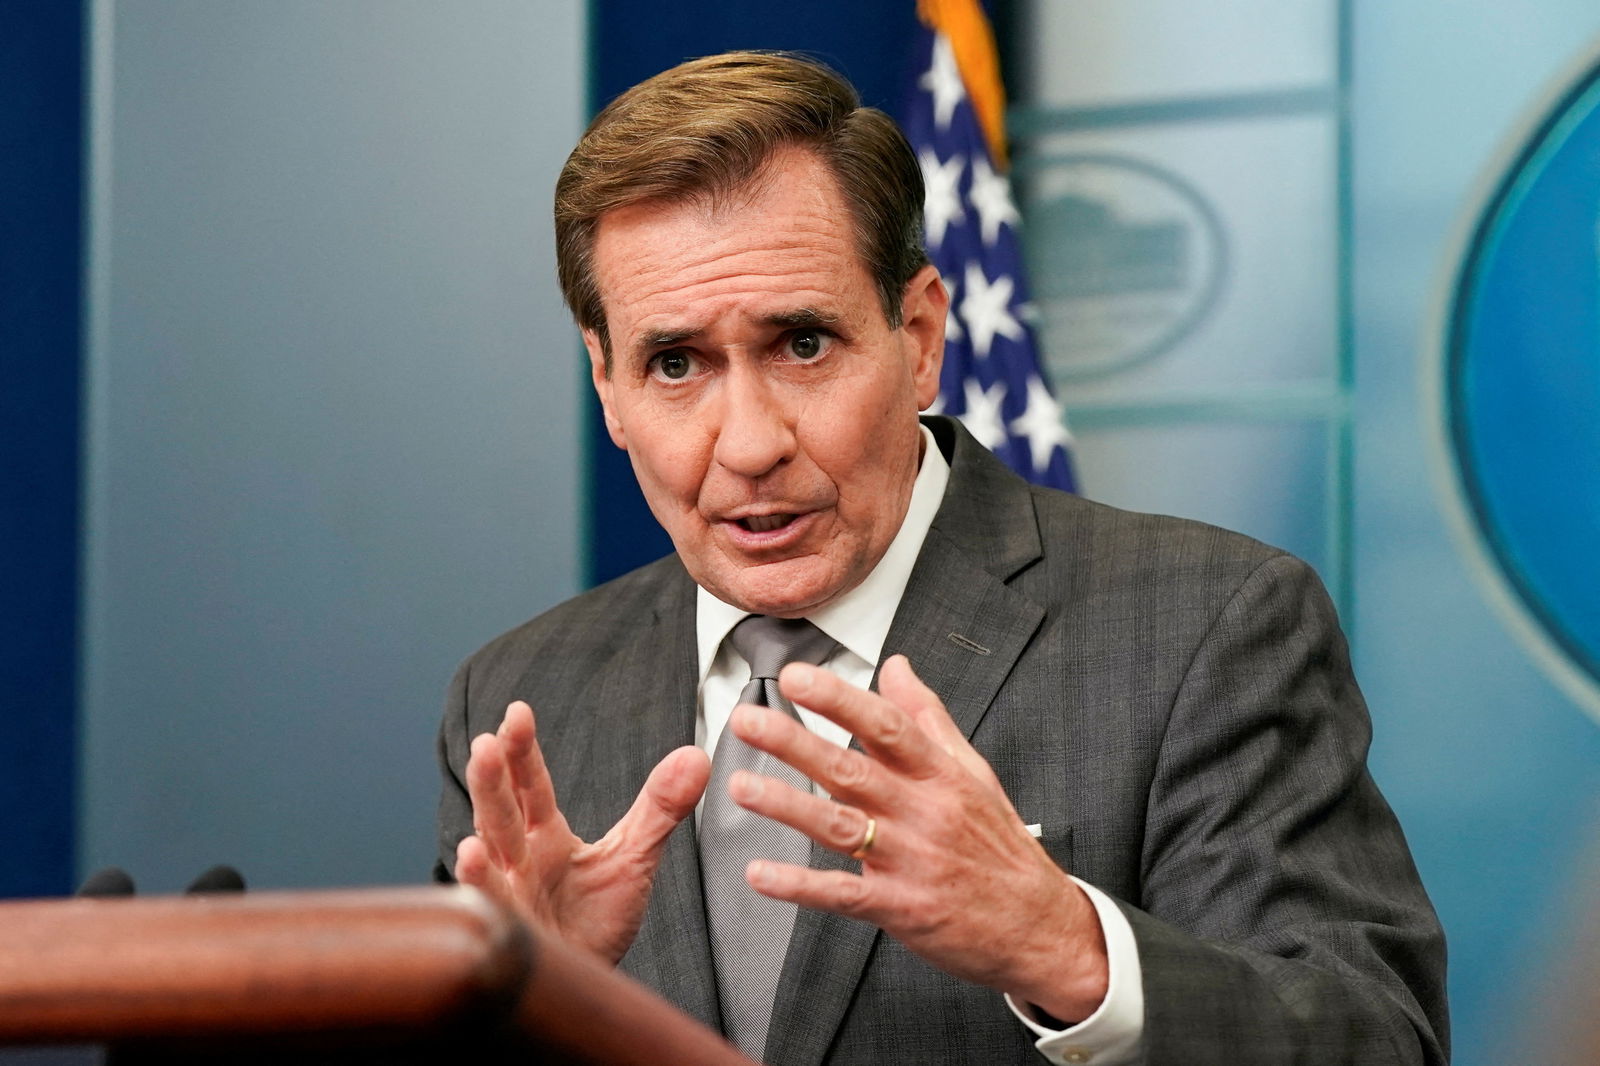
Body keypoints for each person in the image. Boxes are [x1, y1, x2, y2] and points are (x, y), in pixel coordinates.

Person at [435, 52, 1448, 1065]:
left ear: (918, 337)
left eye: (801, 344)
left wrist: (1065, 945)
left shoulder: (1207, 629)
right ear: (606, 384)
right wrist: (525, 1015)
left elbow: (1376, 1042)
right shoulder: (522, 697)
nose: (748, 444)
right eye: (674, 363)